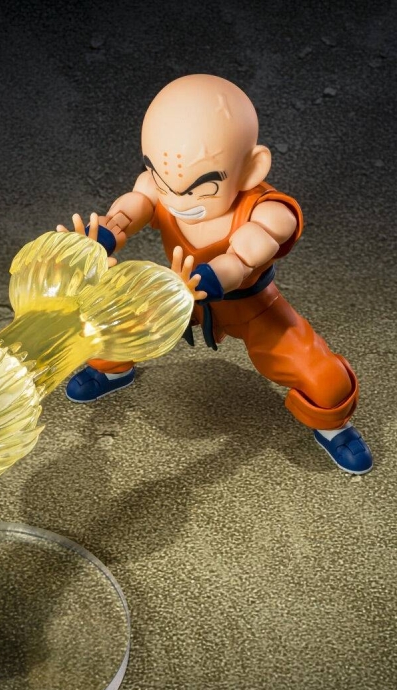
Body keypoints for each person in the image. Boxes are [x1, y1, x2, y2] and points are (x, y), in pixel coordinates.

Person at [58, 74, 372, 475]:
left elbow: (242, 260)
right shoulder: (156, 186)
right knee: (109, 323)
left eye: (200, 187)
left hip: (251, 306)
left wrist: (205, 281)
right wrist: (100, 237)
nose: (176, 199)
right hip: (175, 290)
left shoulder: (269, 212)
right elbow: (133, 207)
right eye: (161, 178)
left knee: (327, 381)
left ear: (252, 168)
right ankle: (112, 368)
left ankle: (333, 426)